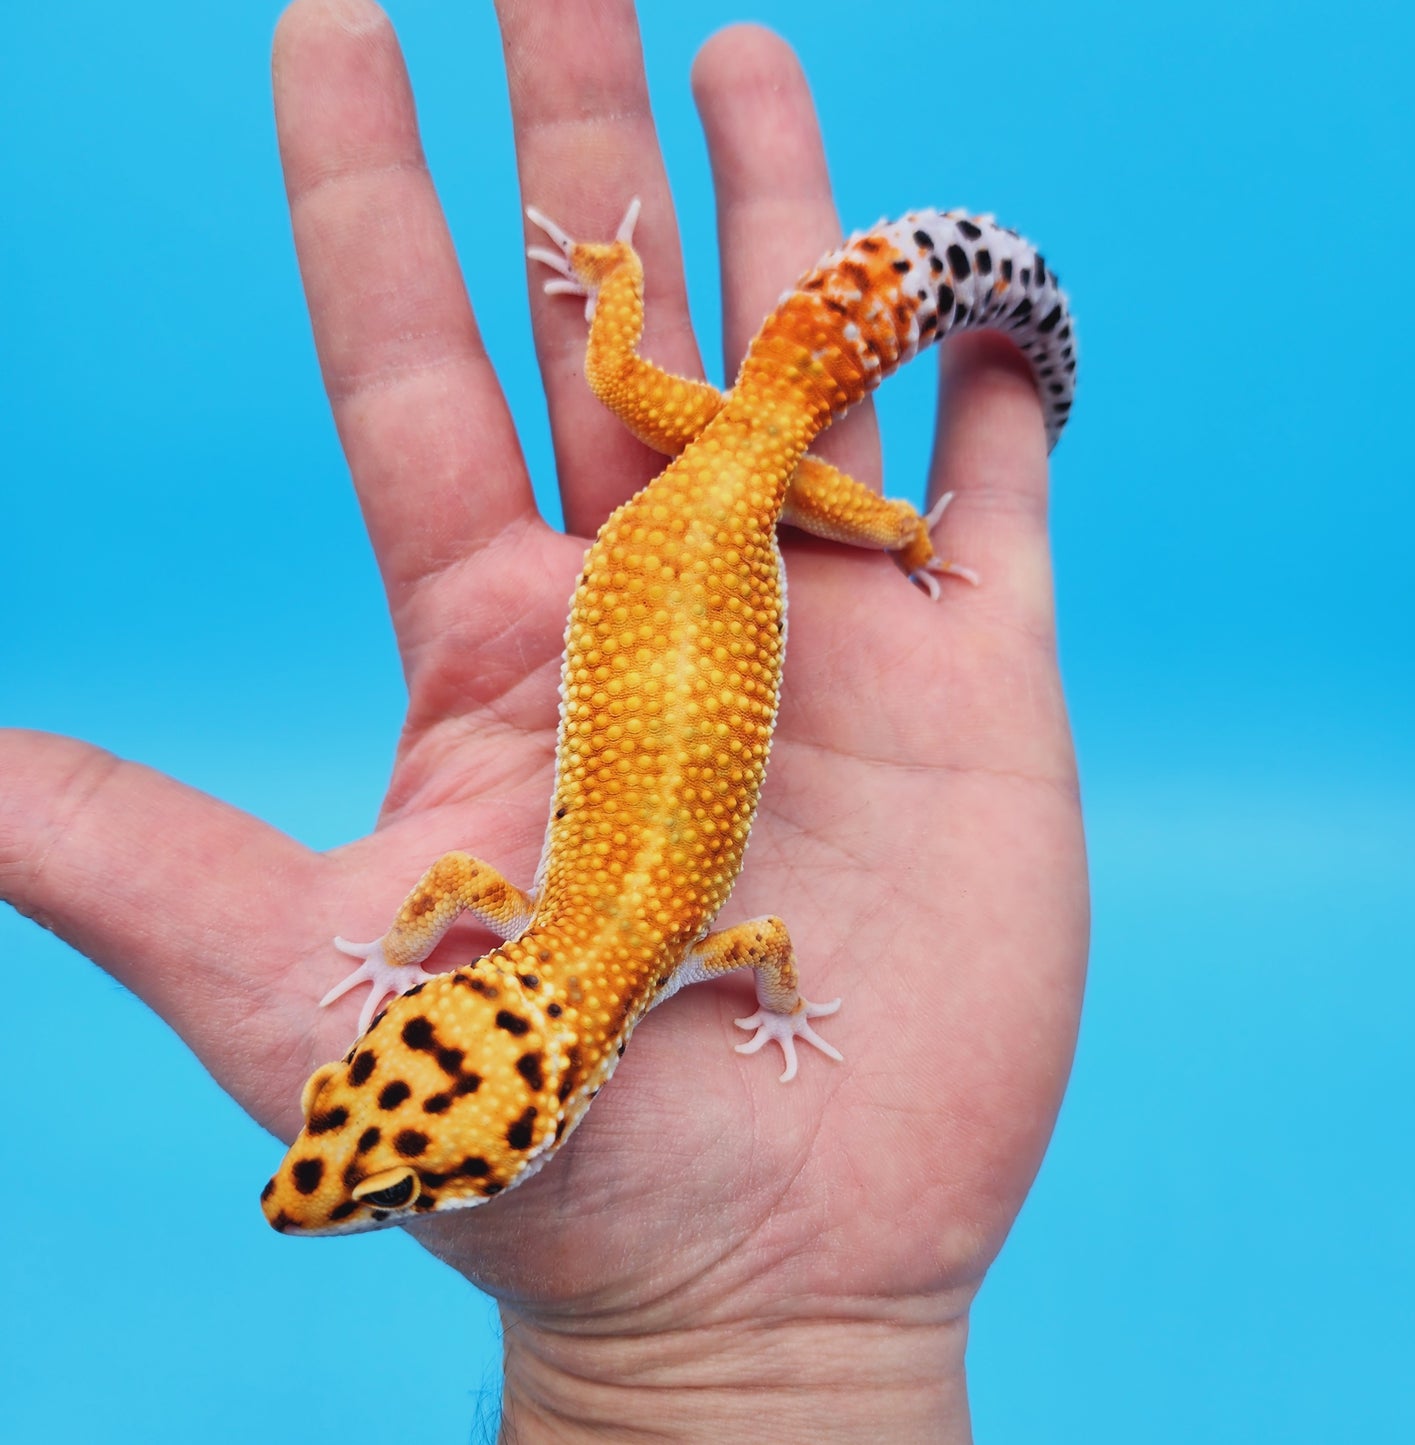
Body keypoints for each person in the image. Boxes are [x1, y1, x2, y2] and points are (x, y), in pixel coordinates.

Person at [0, 0, 1087, 1436]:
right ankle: (734, 308)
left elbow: (755, 950)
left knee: (684, 411)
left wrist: (894, 531)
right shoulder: (535, 925)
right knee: (635, 392)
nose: (323, 1175)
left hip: (748, 477)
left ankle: (944, 332)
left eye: (380, 1167)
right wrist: (394, 950)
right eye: (372, 1157)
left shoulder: (649, 957)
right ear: (508, 1065)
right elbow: (494, 900)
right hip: (738, 483)